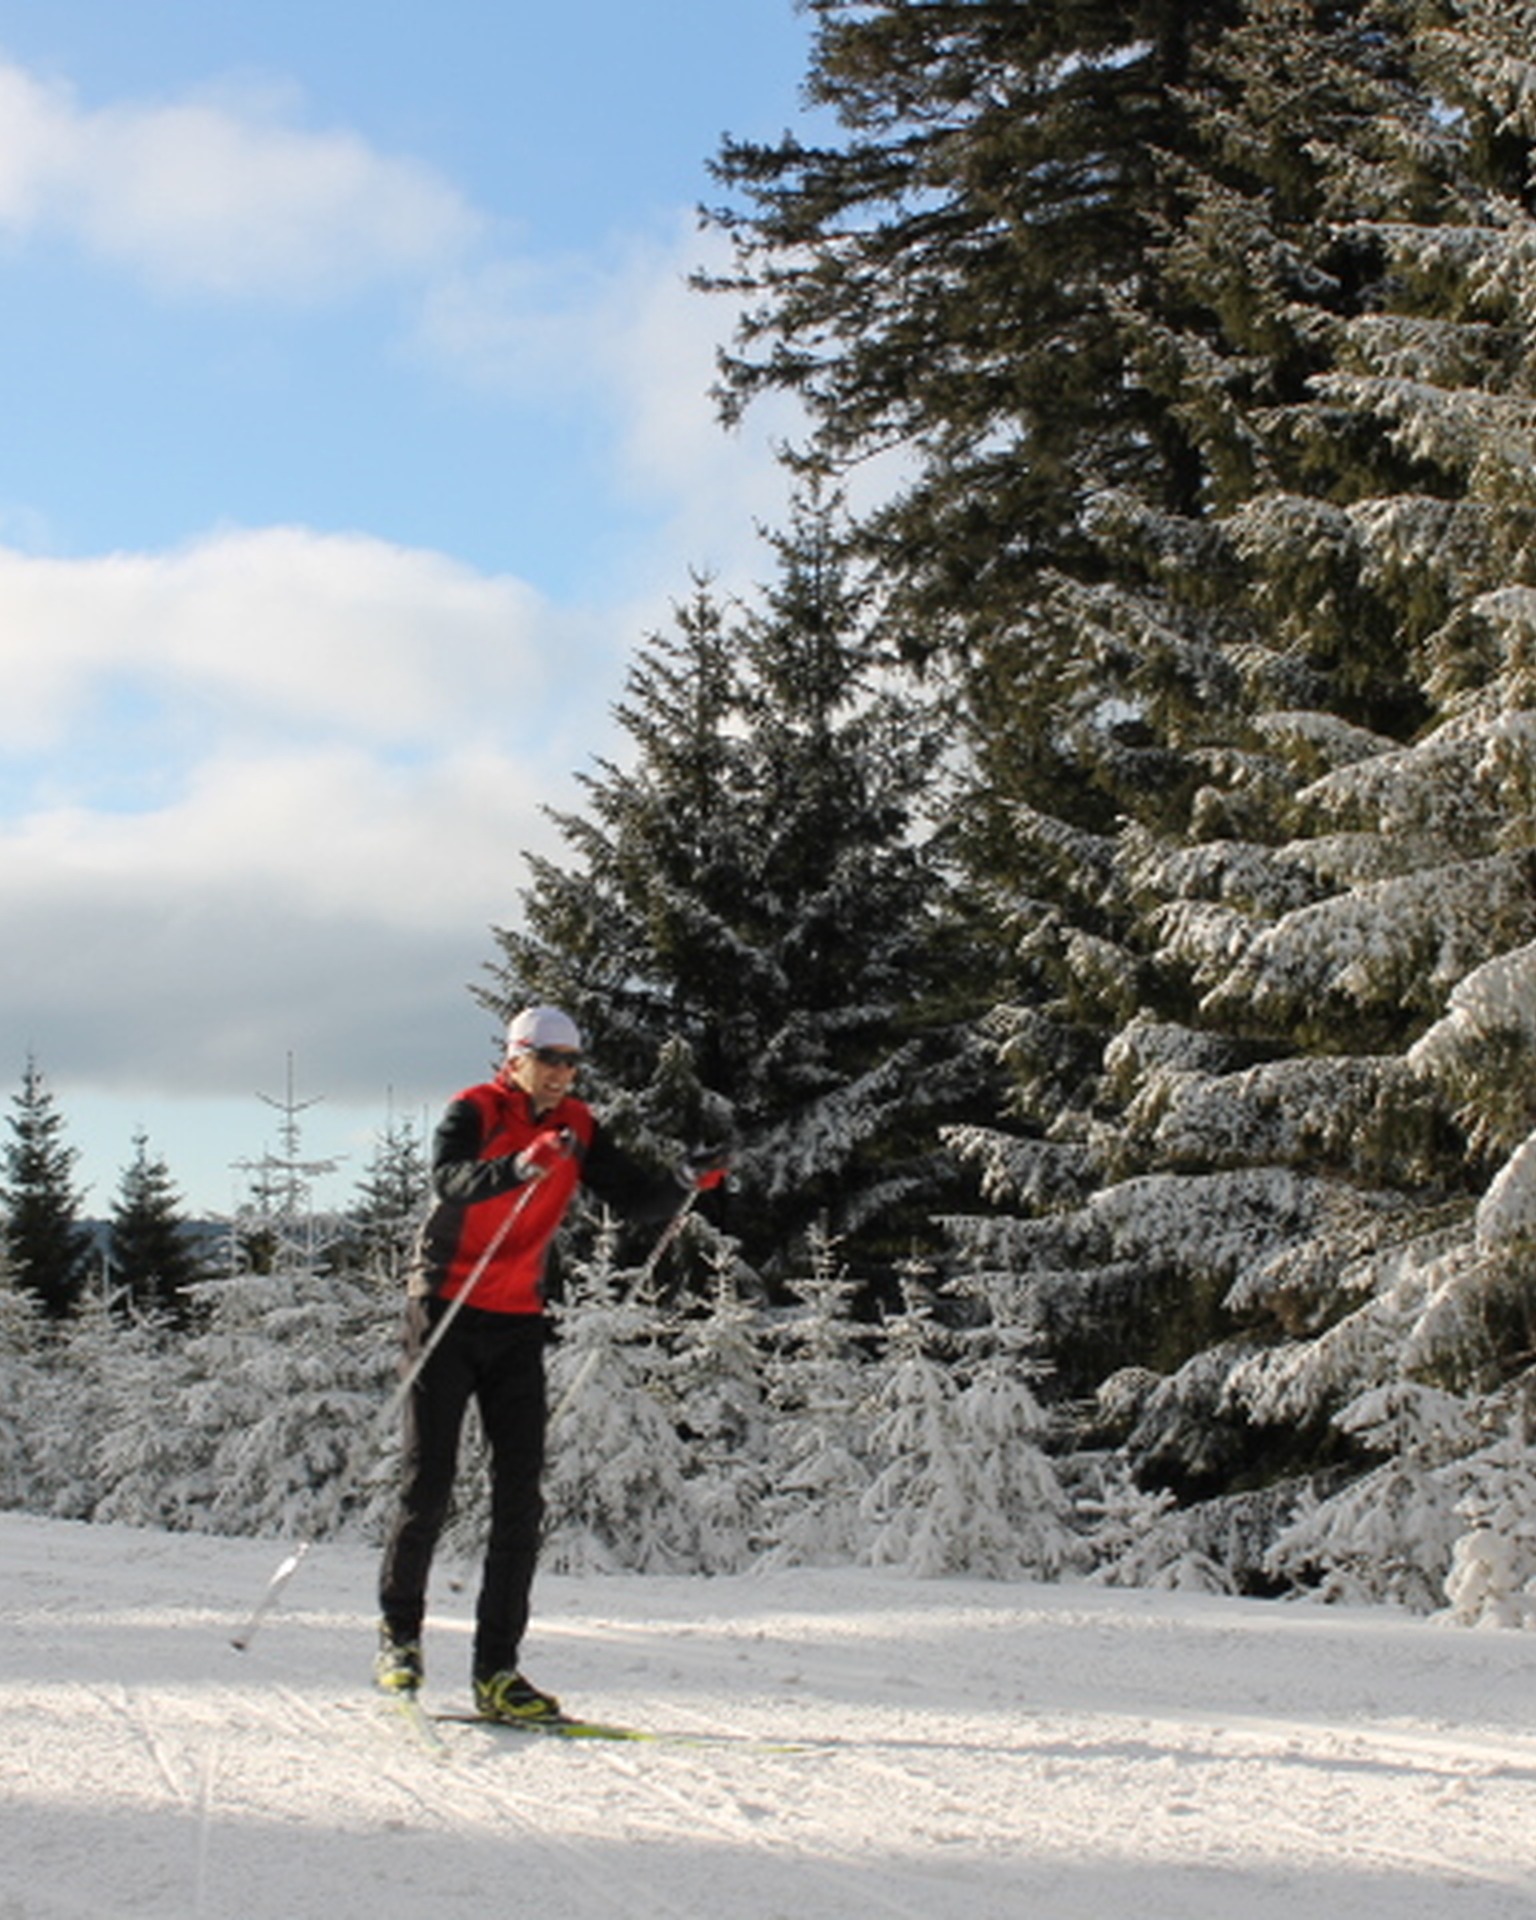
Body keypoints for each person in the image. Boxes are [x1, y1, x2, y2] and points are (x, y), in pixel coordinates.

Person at [375, 1004, 726, 1722]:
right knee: (429, 1482)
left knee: (519, 1499)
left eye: (572, 1062)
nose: (562, 1073)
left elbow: (633, 1200)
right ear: (515, 1059)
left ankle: (497, 1673)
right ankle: (400, 1641)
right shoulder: (473, 1110)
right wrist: (515, 1166)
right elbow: (449, 1180)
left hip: (514, 1320)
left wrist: (686, 1179)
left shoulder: (579, 1127)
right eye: (549, 1059)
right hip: (443, 1303)